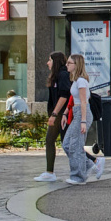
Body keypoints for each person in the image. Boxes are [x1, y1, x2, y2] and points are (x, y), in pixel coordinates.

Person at [36, 51, 71, 183]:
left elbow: (64, 96)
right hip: (58, 114)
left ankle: (93, 162)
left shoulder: (63, 75)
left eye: (50, 60)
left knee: (66, 143)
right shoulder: (57, 75)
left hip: (62, 114)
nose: (47, 63)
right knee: (53, 140)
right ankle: (49, 172)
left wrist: (54, 114)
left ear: (55, 61)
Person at [63, 54, 95, 184]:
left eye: (69, 63)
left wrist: (83, 121)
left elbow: (83, 102)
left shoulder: (81, 81)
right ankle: (88, 165)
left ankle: (78, 177)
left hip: (82, 113)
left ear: (77, 65)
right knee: (67, 144)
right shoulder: (76, 81)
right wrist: (66, 113)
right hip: (77, 113)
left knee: (76, 145)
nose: (67, 65)